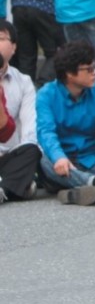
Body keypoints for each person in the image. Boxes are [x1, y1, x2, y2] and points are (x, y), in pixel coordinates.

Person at [36, 41, 95, 205]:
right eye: (89, 69)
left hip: (90, 159)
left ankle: (78, 192)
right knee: (45, 161)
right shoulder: (46, 94)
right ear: (69, 73)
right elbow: (46, 133)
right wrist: (59, 157)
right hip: (62, 162)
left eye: (94, 67)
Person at [0, 21, 41, 203]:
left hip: (10, 156)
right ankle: (16, 186)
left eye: (1, 39)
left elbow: (29, 130)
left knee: (32, 149)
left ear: (14, 47)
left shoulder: (23, 82)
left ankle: (5, 187)